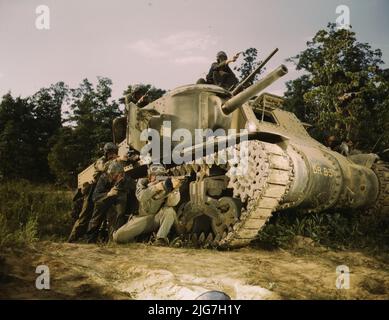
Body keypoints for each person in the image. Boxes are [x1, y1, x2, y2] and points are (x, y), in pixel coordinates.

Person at [112, 164, 182, 246]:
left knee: (169, 211)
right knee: (118, 237)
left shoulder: (166, 185)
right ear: (149, 176)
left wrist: (175, 190)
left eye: (160, 176)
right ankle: (140, 239)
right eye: (154, 176)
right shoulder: (142, 182)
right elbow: (141, 196)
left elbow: (173, 203)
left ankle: (160, 239)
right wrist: (156, 187)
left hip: (156, 218)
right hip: (142, 218)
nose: (156, 179)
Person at [68, 142, 120, 243]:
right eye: (110, 153)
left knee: (99, 217)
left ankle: (92, 241)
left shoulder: (114, 163)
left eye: (114, 152)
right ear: (106, 153)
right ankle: (71, 241)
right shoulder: (100, 161)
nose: (112, 154)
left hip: (103, 191)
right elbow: (103, 168)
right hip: (93, 189)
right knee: (85, 216)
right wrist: (116, 160)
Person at [85, 161, 134, 243]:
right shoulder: (104, 177)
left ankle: (115, 240)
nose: (111, 176)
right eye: (111, 174)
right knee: (96, 219)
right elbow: (95, 196)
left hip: (117, 199)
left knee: (118, 215)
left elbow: (134, 191)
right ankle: (90, 241)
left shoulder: (127, 179)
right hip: (103, 199)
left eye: (114, 174)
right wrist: (108, 194)